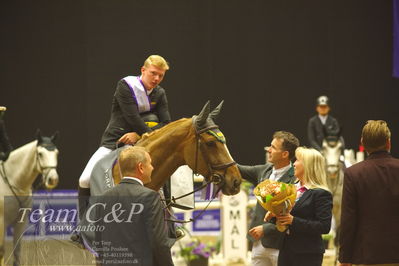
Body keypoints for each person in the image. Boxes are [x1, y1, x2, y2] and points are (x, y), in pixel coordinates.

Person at [78, 54, 171, 198]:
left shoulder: (160, 93)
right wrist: (144, 134)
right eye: (153, 73)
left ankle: (168, 212)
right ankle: (84, 219)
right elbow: (132, 118)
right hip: (114, 142)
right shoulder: (126, 86)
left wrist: (139, 136)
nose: (157, 79)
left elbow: (166, 124)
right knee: (85, 179)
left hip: (143, 142)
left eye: (161, 75)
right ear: (143, 70)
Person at [92, 146, 174, 266]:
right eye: (150, 164)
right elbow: (158, 243)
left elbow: (99, 242)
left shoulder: (103, 198)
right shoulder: (149, 197)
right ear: (140, 167)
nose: (152, 168)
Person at [339, 120, 399, 266]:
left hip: (366, 255)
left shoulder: (353, 173)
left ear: (363, 143)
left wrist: (344, 258)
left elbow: (348, 220)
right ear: (388, 143)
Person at [238, 131, 299, 266]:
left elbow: (291, 216)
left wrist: (265, 229)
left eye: (273, 147)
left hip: (282, 244)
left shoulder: (295, 179)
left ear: (285, 154)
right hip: (258, 243)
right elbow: (237, 169)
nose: (269, 150)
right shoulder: (264, 170)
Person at [274, 147, 333, 266]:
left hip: (308, 254)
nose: (294, 164)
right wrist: (274, 214)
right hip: (285, 250)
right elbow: (286, 217)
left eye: (298, 160)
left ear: (308, 165)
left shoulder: (321, 193)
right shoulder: (290, 188)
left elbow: (324, 226)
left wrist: (293, 221)